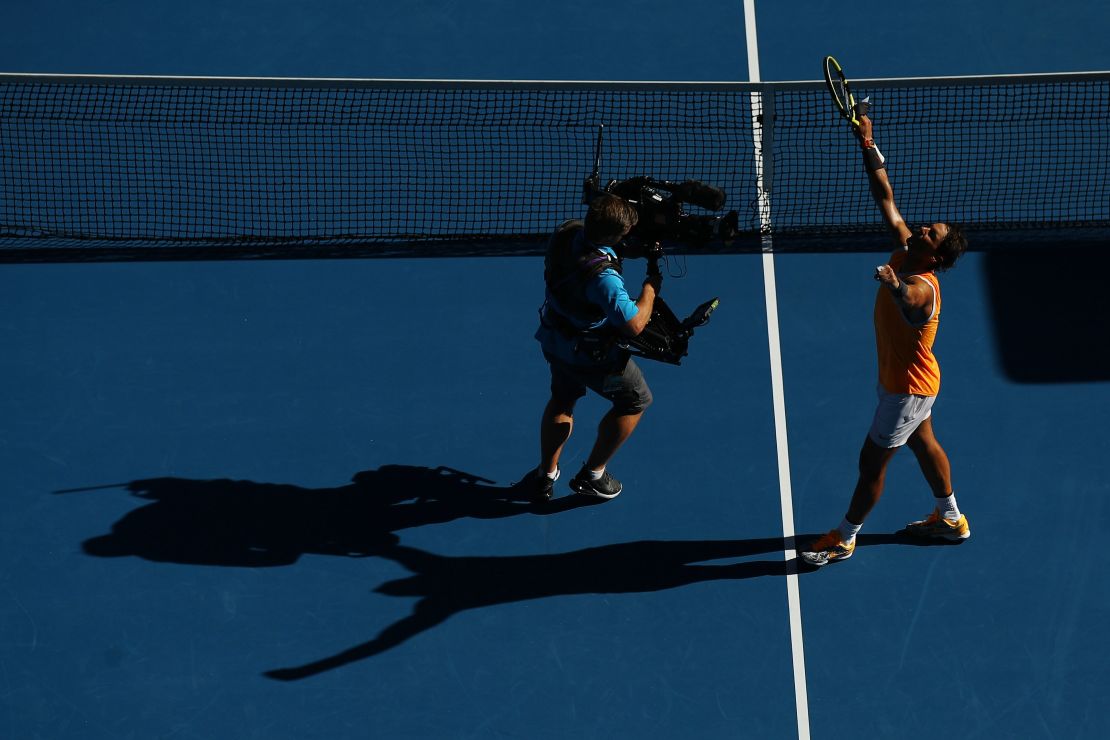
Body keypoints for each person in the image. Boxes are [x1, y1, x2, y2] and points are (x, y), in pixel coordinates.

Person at [801, 107, 970, 567]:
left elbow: (911, 301)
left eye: (929, 234)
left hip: (906, 391)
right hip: (915, 383)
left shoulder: (923, 285)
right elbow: (885, 196)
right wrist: (868, 143)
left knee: (871, 463)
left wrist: (893, 283)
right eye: (925, 226)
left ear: (935, 255)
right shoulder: (905, 247)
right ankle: (951, 518)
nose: (920, 228)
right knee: (925, 443)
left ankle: (845, 537)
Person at [518, 193, 661, 503]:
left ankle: (545, 477)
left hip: (555, 341)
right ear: (613, 234)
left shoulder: (565, 232)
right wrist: (650, 288)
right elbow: (634, 324)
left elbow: (598, 247)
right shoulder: (604, 280)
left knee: (562, 400)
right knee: (636, 400)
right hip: (592, 356)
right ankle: (593, 476)